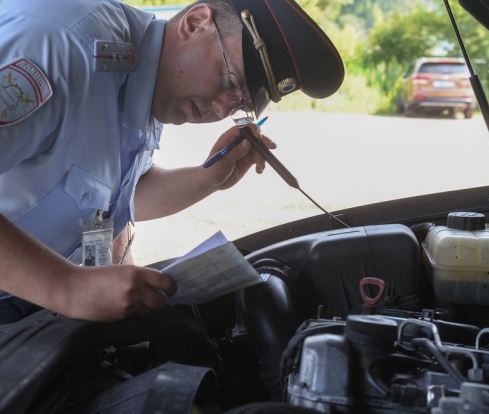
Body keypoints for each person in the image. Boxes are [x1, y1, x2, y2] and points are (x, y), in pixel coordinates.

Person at [0, 0, 344, 323]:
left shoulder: (145, 77)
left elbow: (115, 197)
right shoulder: (62, 48)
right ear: (196, 23)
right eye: (228, 81)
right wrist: (68, 287)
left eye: (238, 105)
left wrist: (210, 177)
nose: (222, 109)